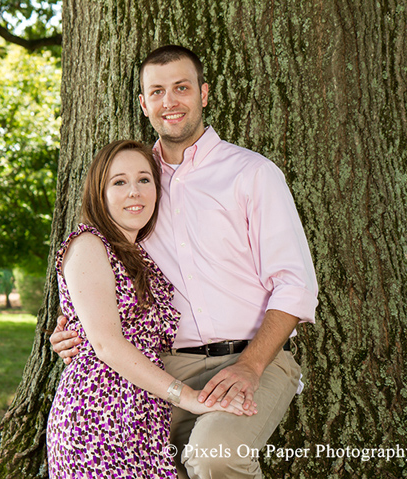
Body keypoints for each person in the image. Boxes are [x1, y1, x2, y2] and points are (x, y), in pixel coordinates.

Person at [51, 45, 319, 479]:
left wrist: (250, 365)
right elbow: (103, 277)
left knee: (214, 457)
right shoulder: (138, 182)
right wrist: (76, 334)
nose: (169, 101)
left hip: (255, 357)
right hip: (163, 368)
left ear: (204, 93)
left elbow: (296, 284)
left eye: (181, 88)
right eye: (157, 91)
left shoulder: (251, 173)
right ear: (143, 103)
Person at [46, 140, 255, 479]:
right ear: (99, 193)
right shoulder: (87, 244)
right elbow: (106, 344)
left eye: (144, 180)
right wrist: (188, 397)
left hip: (143, 417)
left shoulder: (140, 255)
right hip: (96, 419)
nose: (134, 192)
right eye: (119, 182)